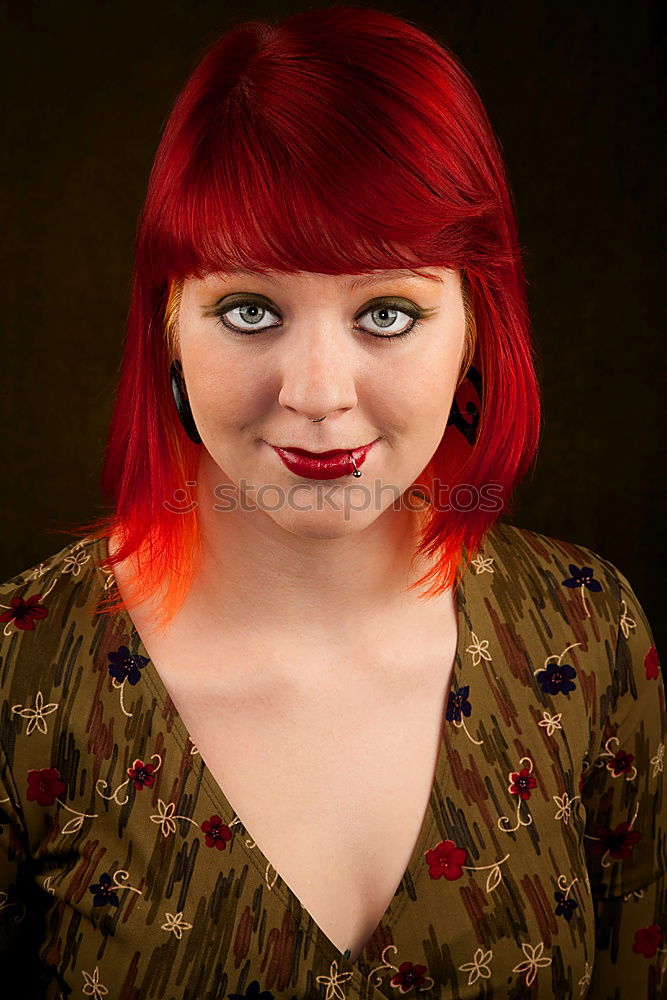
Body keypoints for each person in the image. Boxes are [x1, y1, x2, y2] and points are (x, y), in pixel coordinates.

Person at [1, 6, 664, 998]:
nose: (317, 392)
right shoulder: (24, 674)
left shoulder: (588, 635)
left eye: (386, 312)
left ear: (476, 324)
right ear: (166, 324)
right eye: (249, 309)